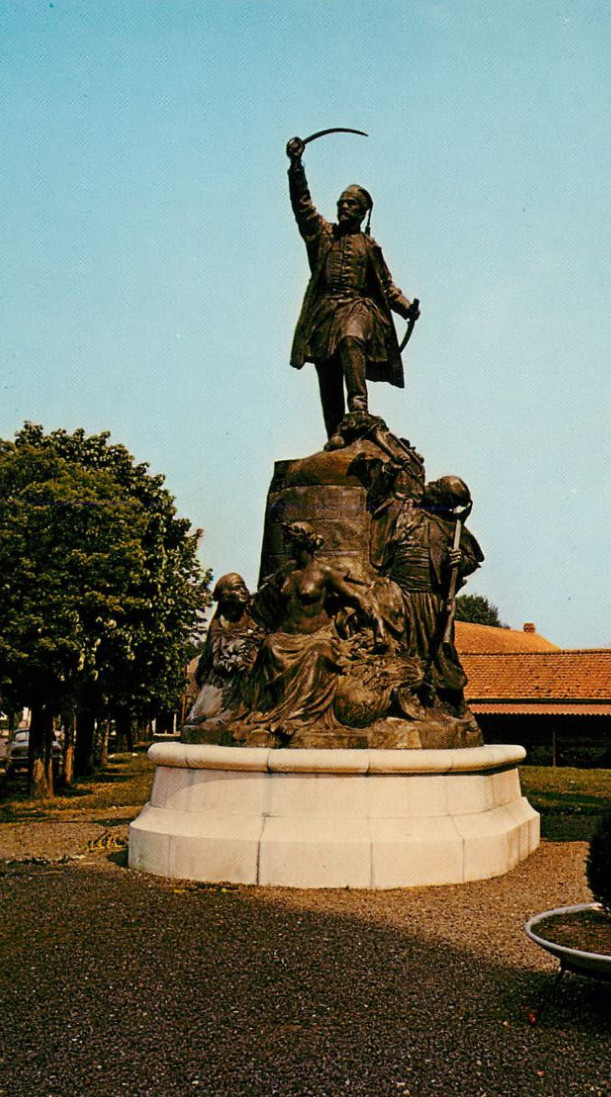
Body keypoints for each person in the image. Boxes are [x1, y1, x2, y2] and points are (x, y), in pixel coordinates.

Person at [286, 136, 420, 445]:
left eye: (351, 204)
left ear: (362, 212)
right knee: (327, 373)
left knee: (352, 337)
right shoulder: (322, 235)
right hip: (324, 312)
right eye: (341, 203)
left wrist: (405, 309)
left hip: (357, 307)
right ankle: (335, 433)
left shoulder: (369, 246)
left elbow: (386, 286)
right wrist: (296, 166)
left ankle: (358, 407)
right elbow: (302, 205)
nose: (344, 207)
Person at [244, 522, 386, 737]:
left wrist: (379, 628)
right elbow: (262, 602)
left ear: (303, 543)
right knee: (270, 646)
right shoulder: (286, 573)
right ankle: (273, 712)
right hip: (287, 638)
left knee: (317, 655)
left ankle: (299, 717)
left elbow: (358, 600)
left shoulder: (324, 572)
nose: (287, 545)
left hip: (317, 638)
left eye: (290, 540)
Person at [371, 476, 483, 715]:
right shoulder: (406, 510)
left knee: (438, 653)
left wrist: (461, 560)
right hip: (397, 593)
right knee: (399, 650)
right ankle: (399, 699)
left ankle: (449, 702)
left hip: (430, 597)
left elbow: (473, 560)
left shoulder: (452, 526)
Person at [188, 573, 262, 724]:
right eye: (237, 588)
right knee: (203, 715)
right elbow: (213, 660)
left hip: (252, 673)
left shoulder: (255, 613)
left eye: (243, 586)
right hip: (225, 678)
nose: (243, 591)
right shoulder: (218, 624)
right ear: (226, 596)